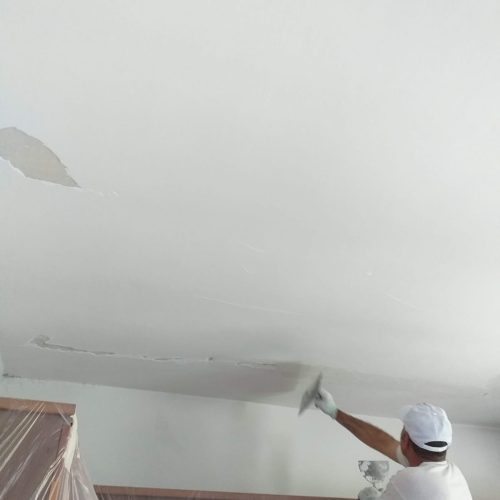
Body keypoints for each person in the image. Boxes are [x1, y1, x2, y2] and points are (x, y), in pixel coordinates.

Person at [314, 388, 473, 499]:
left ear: (406, 441)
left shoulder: (410, 479)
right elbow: (381, 441)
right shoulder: (454, 474)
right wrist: (334, 412)